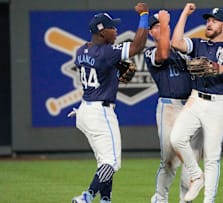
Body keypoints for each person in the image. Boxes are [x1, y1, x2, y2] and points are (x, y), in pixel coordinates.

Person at [170, 3, 223, 203]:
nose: (209, 24)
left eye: (214, 21)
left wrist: (222, 68)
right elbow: (176, 42)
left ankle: (209, 200)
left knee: (212, 157)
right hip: (195, 99)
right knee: (176, 138)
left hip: (217, 105)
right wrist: (184, 14)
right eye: (208, 20)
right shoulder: (199, 45)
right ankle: (197, 176)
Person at [71, 3, 149, 203]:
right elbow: (138, 45)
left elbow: (100, 63)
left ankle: (105, 199)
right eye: (111, 27)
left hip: (84, 111)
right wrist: (144, 15)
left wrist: (114, 70)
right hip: (100, 112)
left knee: (103, 162)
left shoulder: (81, 51)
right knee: (112, 163)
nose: (116, 30)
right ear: (101, 32)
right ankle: (87, 197)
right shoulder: (106, 52)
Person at [144, 11, 203, 203]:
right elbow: (163, 53)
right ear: (151, 32)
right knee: (169, 160)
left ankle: (186, 200)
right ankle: (160, 199)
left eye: (162, 25)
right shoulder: (150, 52)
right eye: (156, 26)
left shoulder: (184, 48)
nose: (160, 28)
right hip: (170, 108)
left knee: (191, 160)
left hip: (191, 106)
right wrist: (166, 24)